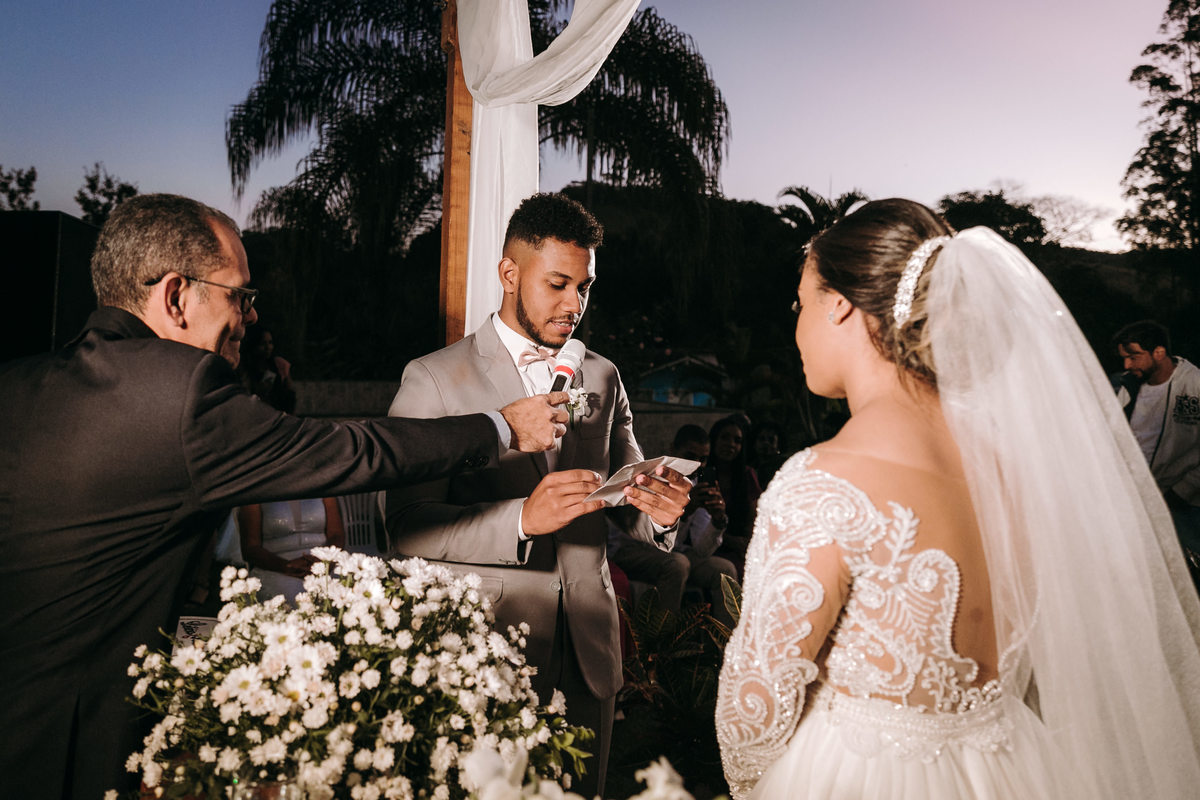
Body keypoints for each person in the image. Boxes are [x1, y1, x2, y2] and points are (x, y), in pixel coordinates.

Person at [0, 193, 568, 800]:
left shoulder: (18, 383)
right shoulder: (180, 393)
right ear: (175, 295)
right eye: (238, 296)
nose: (247, 318)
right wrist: (502, 427)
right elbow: (351, 450)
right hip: (71, 750)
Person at [714, 199, 1200, 799]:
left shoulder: (824, 481)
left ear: (838, 303)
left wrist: (750, 787)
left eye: (800, 302)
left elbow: (754, 708)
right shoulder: (1019, 472)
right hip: (1014, 767)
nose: (797, 323)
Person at [385, 193, 690, 798]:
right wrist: (522, 518)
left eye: (584, 287)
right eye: (557, 284)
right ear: (508, 274)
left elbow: (625, 493)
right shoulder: (434, 379)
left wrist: (659, 513)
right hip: (486, 649)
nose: (575, 305)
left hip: (589, 647)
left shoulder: (603, 375)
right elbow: (407, 526)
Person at [607, 424, 739, 627]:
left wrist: (718, 521)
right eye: (690, 456)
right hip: (630, 549)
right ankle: (665, 646)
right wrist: (685, 513)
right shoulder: (651, 477)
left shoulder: (696, 486)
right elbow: (647, 538)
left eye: (702, 459)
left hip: (676, 554)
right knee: (677, 564)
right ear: (673, 449)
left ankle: (726, 647)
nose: (697, 464)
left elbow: (701, 550)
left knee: (724, 568)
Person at [1112, 320, 1200, 553]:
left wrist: (1181, 492)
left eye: (1133, 356)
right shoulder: (1129, 385)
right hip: (1136, 500)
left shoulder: (1195, 385)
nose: (1127, 364)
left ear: (1158, 352)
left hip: (1184, 507)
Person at [239, 497, 345, 603]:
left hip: (323, 562)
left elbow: (336, 534)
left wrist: (325, 562)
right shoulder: (257, 492)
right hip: (275, 567)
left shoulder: (321, 484)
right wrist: (286, 566)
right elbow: (251, 547)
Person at [708, 415, 762, 579]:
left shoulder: (747, 475)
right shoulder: (702, 473)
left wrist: (747, 545)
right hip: (707, 544)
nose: (730, 444)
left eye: (737, 440)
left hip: (739, 546)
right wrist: (730, 541)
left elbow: (754, 518)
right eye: (724, 438)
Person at [238, 325, 297, 412]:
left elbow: (290, 394)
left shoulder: (279, 365)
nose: (268, 347)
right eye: (263, 343)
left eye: (270, 343)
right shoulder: (244, 367)